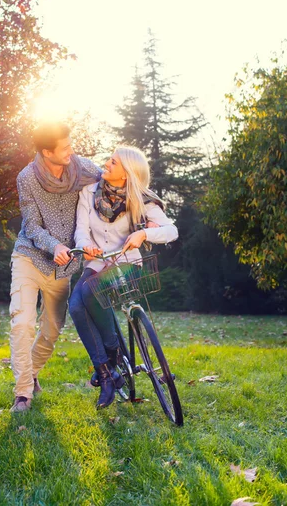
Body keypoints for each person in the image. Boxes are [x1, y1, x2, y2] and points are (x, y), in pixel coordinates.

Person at [68, 145, 178, 409]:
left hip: (127, 265)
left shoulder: (140, 199)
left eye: (113, 163)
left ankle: (111, 354)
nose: (106, 164)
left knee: (89, 292)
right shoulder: (88, 193)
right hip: (97, 262)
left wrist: (144, 234)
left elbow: (171, 230)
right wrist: (86, 247)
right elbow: (81, 231)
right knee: (75, 305)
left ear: (127, 174)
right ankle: (107, 373)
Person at [9, 122, 101, 412]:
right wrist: (55, 246)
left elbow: (115, 180)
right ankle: (23, 393)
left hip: (63, 269)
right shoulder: (27, 178)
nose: (70, 151)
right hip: (30, 258)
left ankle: (31, 371)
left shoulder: (82, 168)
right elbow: (32, 225)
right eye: (64, 147)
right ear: (47, 152)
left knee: (51, 330)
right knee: (22, 322)